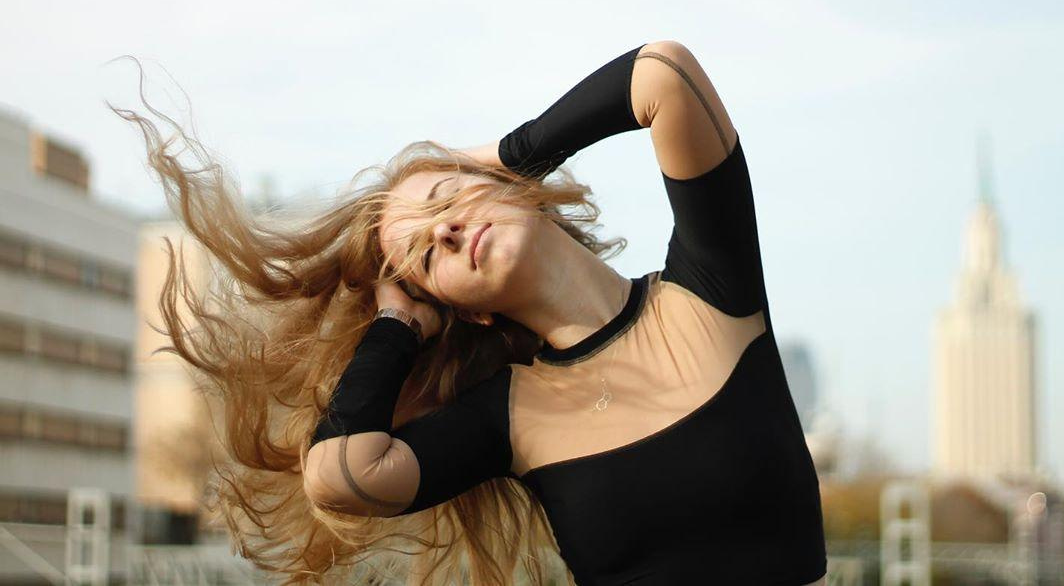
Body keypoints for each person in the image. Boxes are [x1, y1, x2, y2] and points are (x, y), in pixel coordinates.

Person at [115, 40, 828, 585]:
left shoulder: (709, 291)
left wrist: (515, 152)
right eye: (426, 256)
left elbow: (663, 76)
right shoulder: (511, 415)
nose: (448, 230)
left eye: (448, 198)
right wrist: (395, 325)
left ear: (515, 185)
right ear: (463, 311)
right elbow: (340, 473)